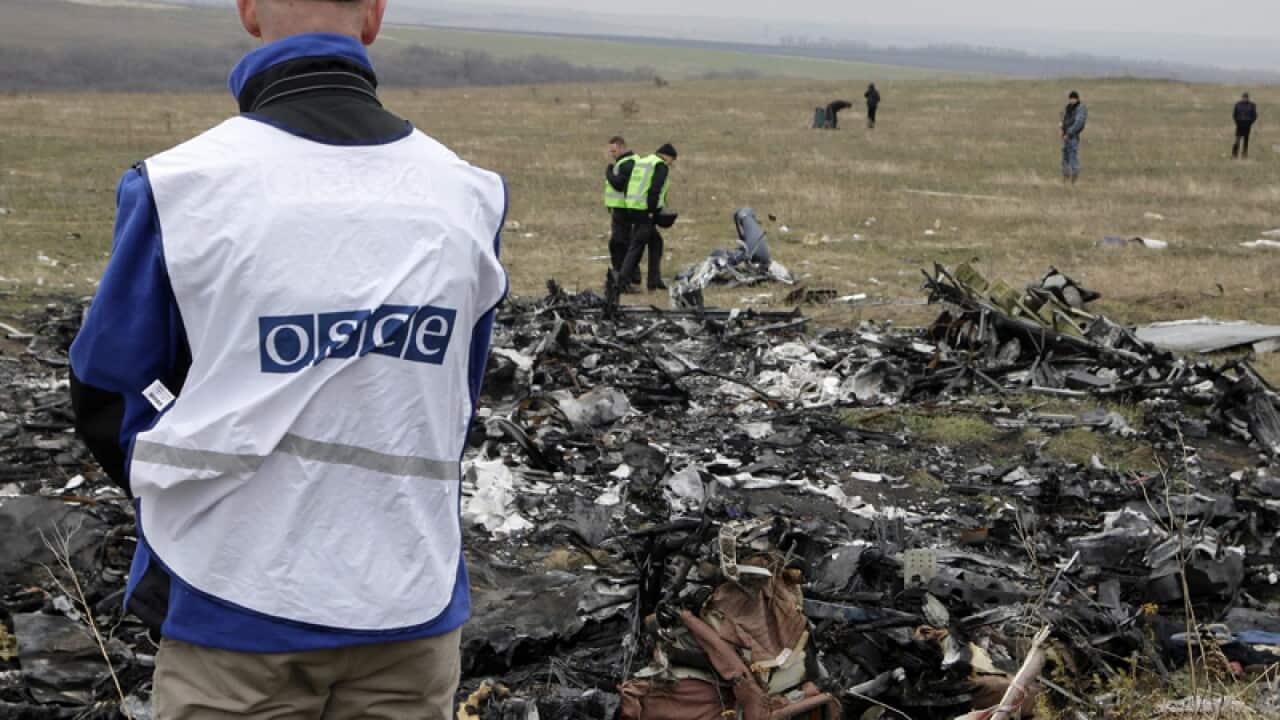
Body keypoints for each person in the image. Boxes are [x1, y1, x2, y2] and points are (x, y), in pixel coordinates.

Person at [68, 1, 507, 718]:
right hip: (411, 604)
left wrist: (195, 487)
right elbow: (456, 393)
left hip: (232, 611)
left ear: (247, 12)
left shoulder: (182, 185)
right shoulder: (470, 195)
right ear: (373, 17)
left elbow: (107, 392)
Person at [617, 143, 677, 293]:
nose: (671, 164)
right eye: (672, 160)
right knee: (636, 246)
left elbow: (630, 184)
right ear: (667, 156)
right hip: (645, 210)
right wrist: (652, 211)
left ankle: (654, 281)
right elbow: (654, 189)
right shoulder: (660, 166)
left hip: (633, 207)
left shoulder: (643, 161)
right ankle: (621, 282)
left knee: (656, 242)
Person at [605, 136, 640, 284]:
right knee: (623, 242)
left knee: (620, 243)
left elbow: (618, 184)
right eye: (610, 151)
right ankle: (629, 275)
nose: (612, 154)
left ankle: (623, 276)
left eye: (614, 151)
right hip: (624, 207)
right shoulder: (628, 162)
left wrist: (608, 171)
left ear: (622, 147)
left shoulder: (627, 163)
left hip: (624, 209)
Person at [1061, 90, 1088, 184]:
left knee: (1073, 156)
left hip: (1073, 136)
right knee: (1065, 156)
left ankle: (1074, 179)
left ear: (1077, 99)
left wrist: (1069, 133)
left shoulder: (1080, 108)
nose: (1072, 100)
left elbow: (1079, 123)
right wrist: (1063, 130)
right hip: (1066, 136)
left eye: (1073, 98)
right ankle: (1066, 177)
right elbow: (1065, 120)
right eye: (1070, 98)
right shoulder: (1068, 108)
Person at [1233, 92, 1258, 159]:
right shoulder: (1238, 105)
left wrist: (1250, 122)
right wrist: (1237, 122)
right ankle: (1234, 154)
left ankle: (1244, 155)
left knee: (1246, 141)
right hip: (1239, 125)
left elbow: (1254, 115)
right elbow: (1234, 115)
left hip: (1247, 126)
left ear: (1248, 98)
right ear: (1242, 97)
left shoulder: (1252, 105)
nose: (1245, 99)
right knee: (1237, 140)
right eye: (1244, 97)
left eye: (1246, 98)